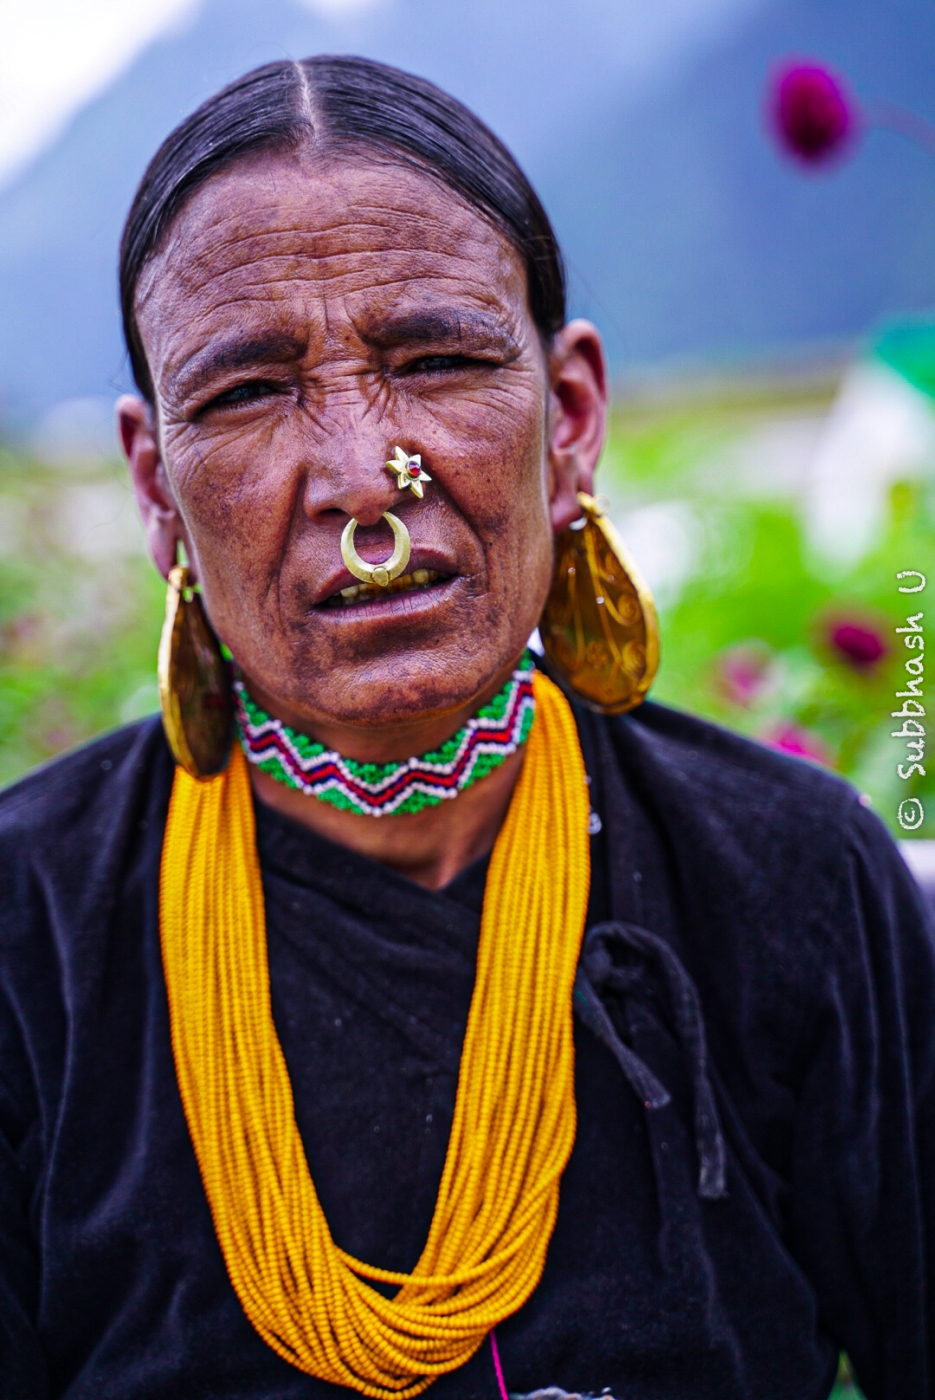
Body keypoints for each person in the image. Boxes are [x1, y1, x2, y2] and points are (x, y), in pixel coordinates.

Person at [0, 54, 932, 1400]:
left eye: (435, 360)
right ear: (156, 487)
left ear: (569, 416)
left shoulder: (793, 877)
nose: (361, 481)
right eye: (249, 393)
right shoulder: (29, 941)